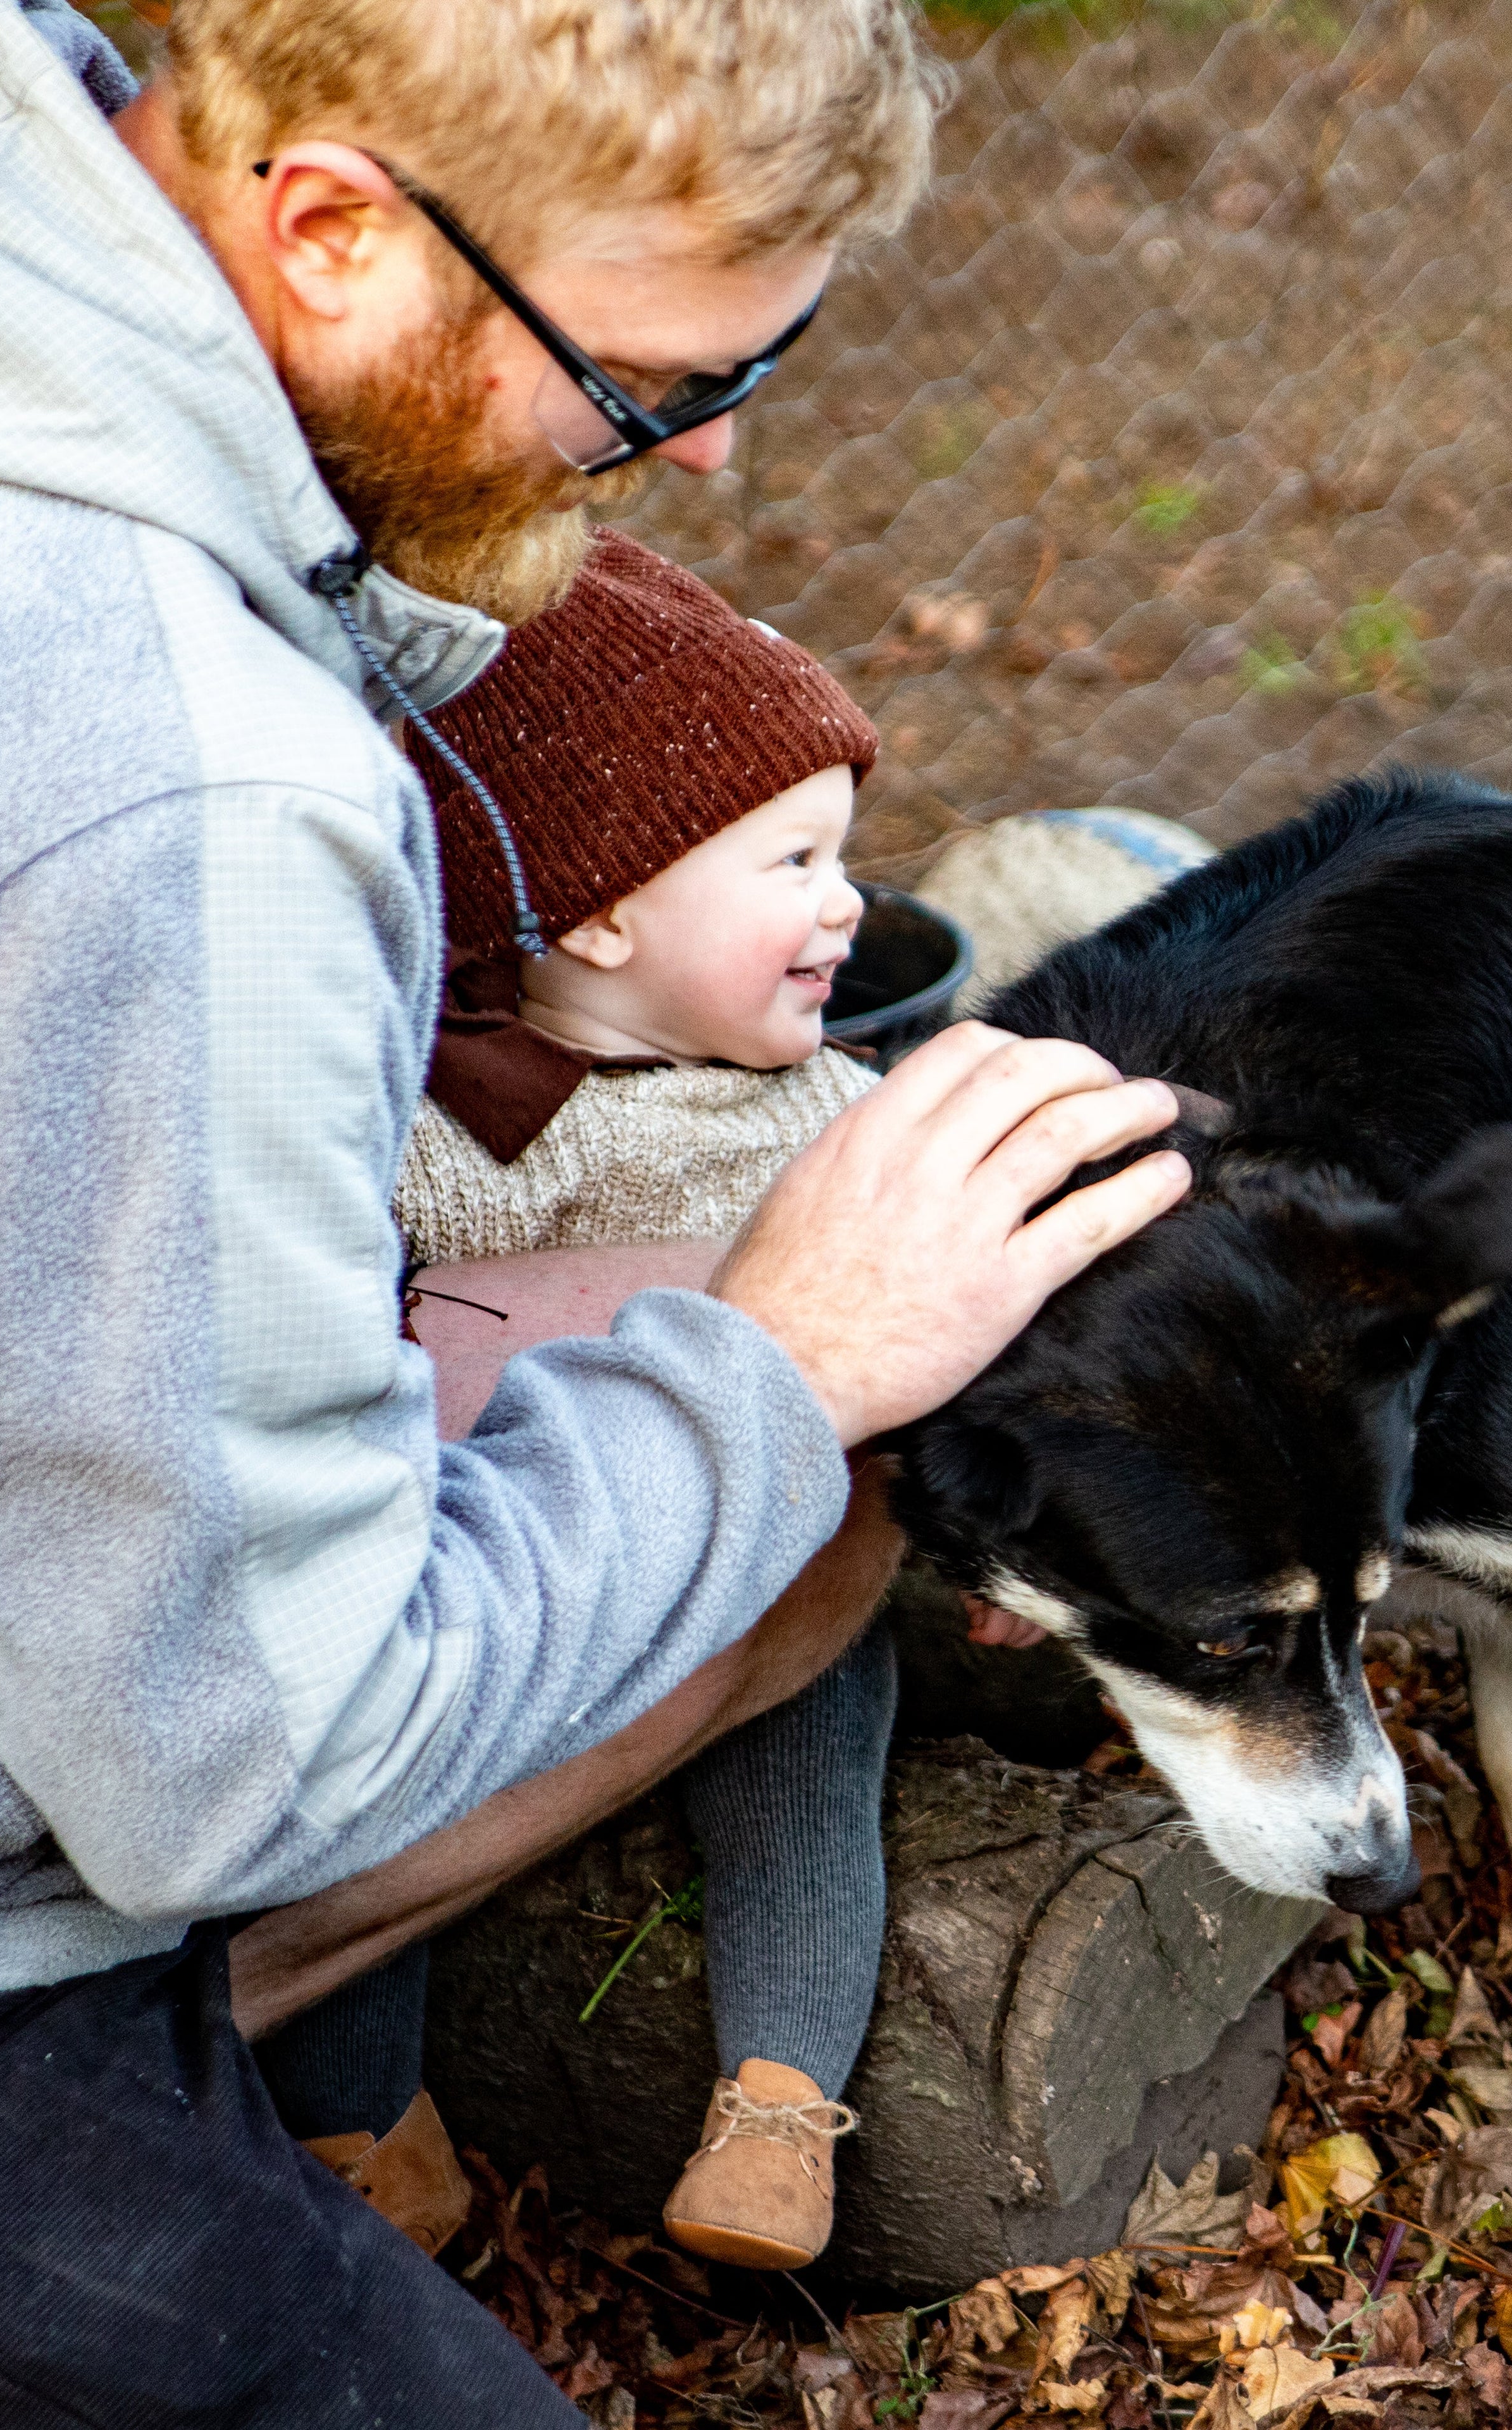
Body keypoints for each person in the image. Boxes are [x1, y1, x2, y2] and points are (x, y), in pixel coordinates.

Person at [0, 3, 1188, 2419]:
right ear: (336, 229)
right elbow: (232, 1763)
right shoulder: (183, 804)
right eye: (658, 388)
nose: (699, 452)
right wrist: (783, 1368)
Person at [389, 527, 902, 2271]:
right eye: (796, 857)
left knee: (822, 1724)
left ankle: (775, 2109)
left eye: (848, 853)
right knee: (362, 1782)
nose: (849, 900)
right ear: (603, 906)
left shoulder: (830, 1116)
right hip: (492, 1567)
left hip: (756, 1565)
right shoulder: (434, 1137)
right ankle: (365, 2125)